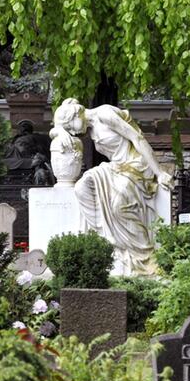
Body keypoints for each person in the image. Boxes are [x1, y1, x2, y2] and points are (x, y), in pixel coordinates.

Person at [53, 98, 172, 275]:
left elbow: (137, 138)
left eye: (70, 126)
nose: (72, 132)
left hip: (136, 167)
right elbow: (56, 131)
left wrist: (159, 171)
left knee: (119, 205)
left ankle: (146, 257)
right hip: (116, 168)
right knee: (81, 188)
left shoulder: (105, 114)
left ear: (76, 115)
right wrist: (61, 131)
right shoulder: (91, 129)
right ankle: (107, 237)